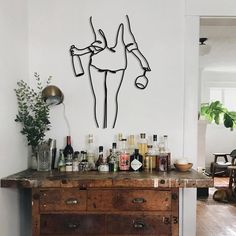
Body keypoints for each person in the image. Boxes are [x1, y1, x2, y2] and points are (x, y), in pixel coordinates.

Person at [70, 15, 151, 129]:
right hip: (116, 64)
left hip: (99, 64)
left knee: (99, 99)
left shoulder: (96, 17)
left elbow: (100, 44)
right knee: (112, 98)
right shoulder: (122, 16)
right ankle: (108, 131)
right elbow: (129, 41)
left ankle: (102, 131)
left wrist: (79, 52)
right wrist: (142, 60)